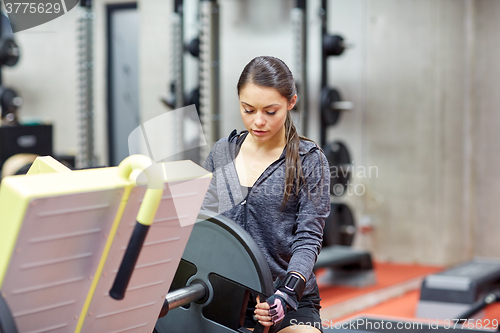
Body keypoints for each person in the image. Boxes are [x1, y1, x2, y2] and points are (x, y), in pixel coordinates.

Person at [201, 56, 330, 333]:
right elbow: (202, 224)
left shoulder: (309, 160)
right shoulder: (222, 153)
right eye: (248, 110)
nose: (258, 121)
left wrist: (287, 293)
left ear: (291, 102)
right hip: (222, 295)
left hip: (285, 298)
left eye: (270, 112)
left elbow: (308, 238)